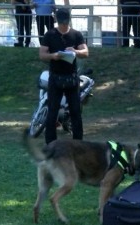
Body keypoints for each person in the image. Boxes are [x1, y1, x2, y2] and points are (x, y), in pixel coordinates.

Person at [39, 8, 89, 144]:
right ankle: (51, 144)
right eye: (61, 23)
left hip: (71, 79)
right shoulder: (50, 34)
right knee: (52, 112)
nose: (63, 26)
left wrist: (75, 51)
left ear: (69, 20)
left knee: (75, 112)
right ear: (57, 20)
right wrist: (53, 56)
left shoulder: (76, 34)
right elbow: (42, 54)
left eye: (65, 23)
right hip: (55, 78)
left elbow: (86, 52)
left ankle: (78, 144)